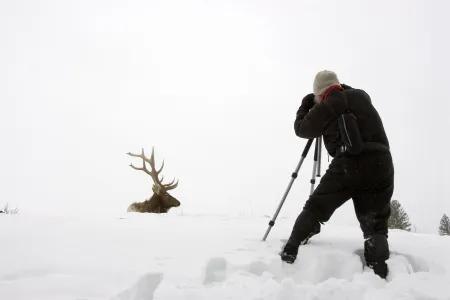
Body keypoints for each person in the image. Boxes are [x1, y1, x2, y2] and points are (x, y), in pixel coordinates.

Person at [280, 70, 394, 279]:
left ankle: (291, 249)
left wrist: (307, 105)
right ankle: (380, 274)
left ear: (320, 93)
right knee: (376, 223)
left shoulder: (327, 105)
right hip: (381, 163)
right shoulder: (360, 96)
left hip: (349, 164)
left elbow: (301, 129)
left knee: (316, 207)